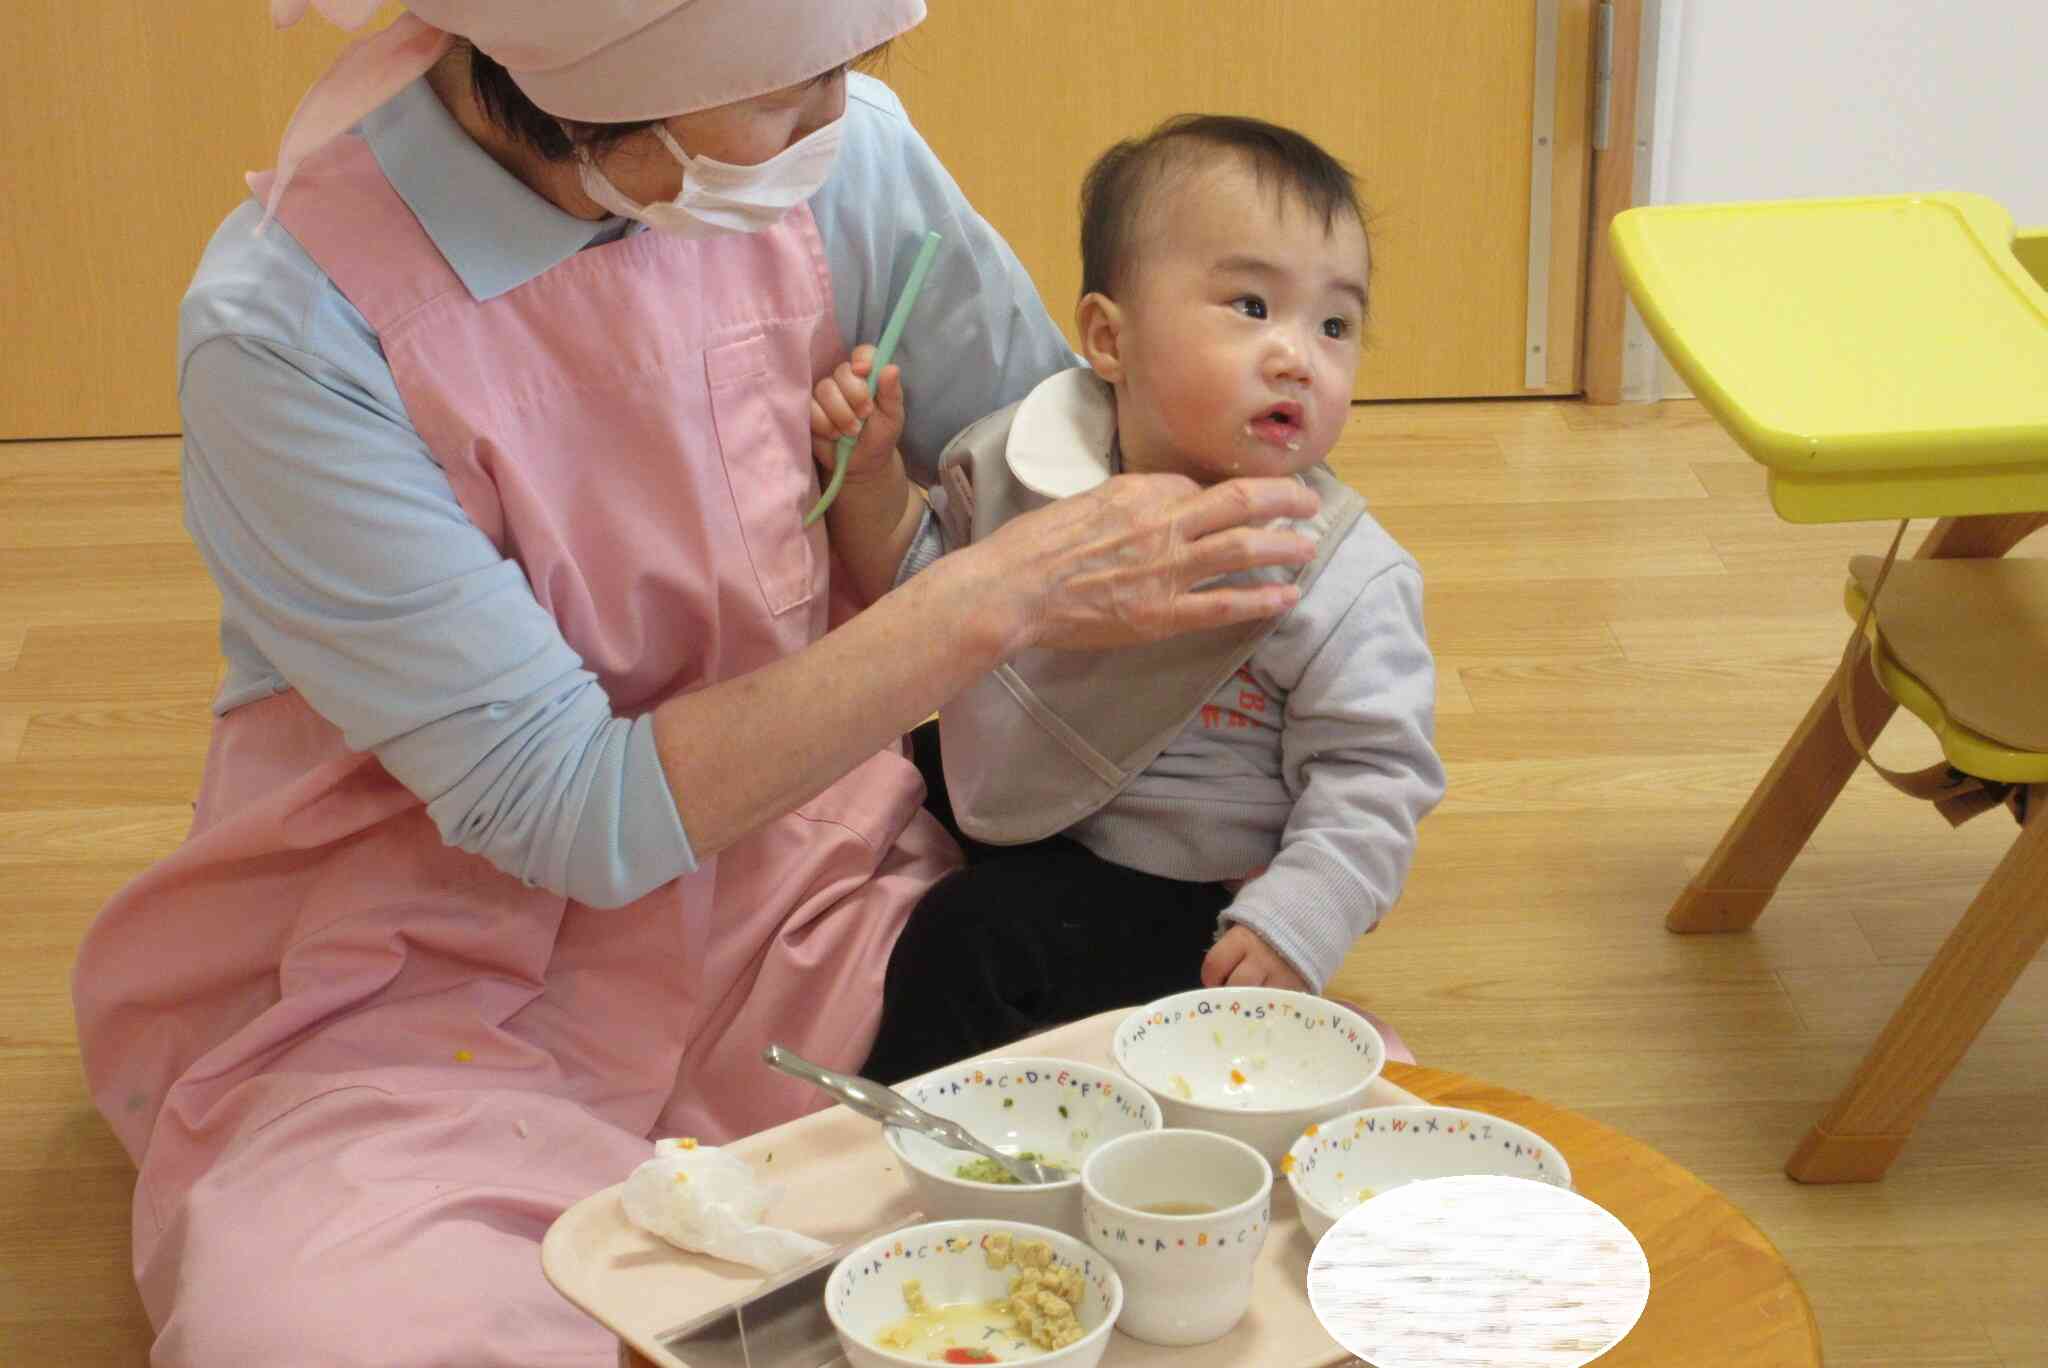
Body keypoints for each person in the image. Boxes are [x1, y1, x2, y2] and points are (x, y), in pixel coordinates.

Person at [68, 6, 1329, 1364]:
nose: (839, 118)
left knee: (1243, 1168)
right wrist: (993, 594)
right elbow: (570, 812)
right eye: (789, 88)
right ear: (599, 77)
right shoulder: (291, 335)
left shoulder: (832, 159)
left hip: (815, 884)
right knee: (324, 1334)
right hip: (412, 963)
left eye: (851, 70)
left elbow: (1047, 441)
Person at [811, 116, 1446, 1083]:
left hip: (1182, 890)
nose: (1297, 357)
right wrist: (866, 482)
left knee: (968, 937)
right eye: (1249, 304)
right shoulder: (1037, 457)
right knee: (875, 771)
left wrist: (1291, 924)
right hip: (1031, 797)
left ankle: (901, 1154)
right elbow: (926, 593)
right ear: (1109, 337)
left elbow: (1377, 777)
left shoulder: (1339, 576)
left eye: (1335, 325)